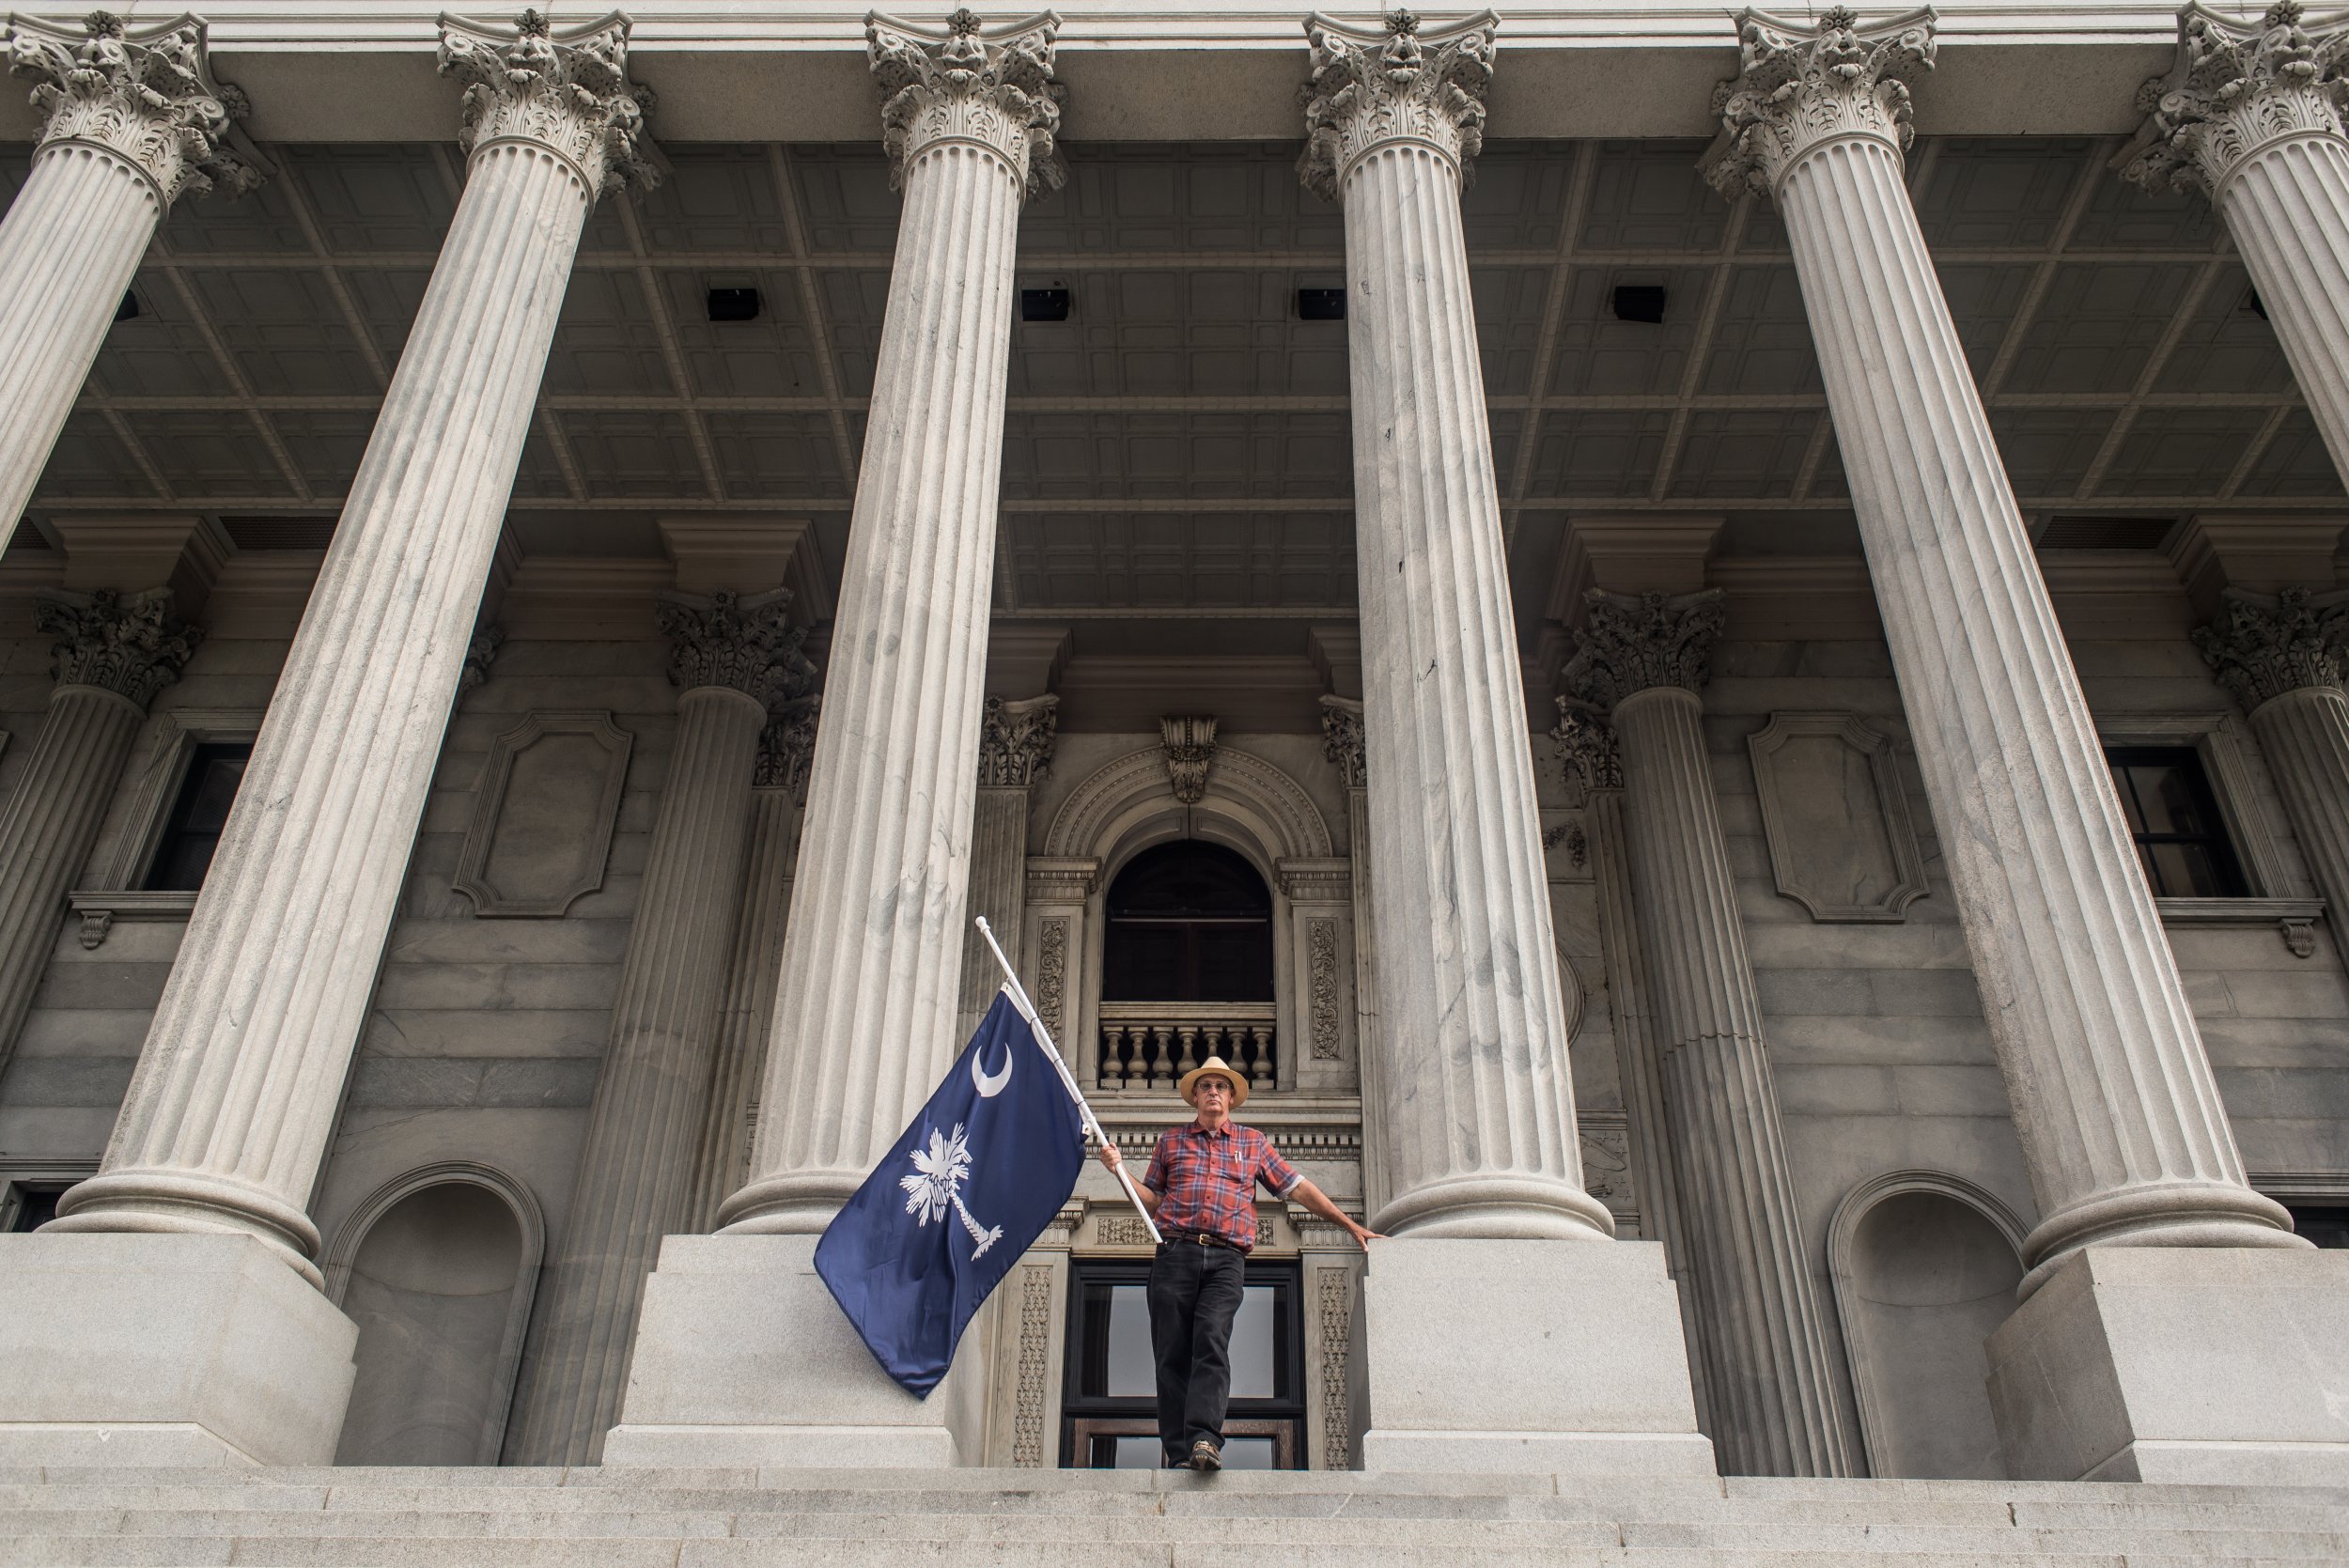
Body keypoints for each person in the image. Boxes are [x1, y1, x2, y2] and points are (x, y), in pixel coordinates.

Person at [1096, 1053, 1380, 1471]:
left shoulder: (1252, 1143)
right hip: (1176, 1252)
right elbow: (1153, 1201)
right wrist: (1120, 1172)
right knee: (1171, 1354)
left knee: (1211, 1339)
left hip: (1226, 1258)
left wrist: (1349, 1224)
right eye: (1207, 1086)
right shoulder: (1171, 1142)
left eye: (1221, 1086)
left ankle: (1205, 1441)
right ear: (1195, 1096)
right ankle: (1179, 1453)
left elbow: (1297, 1189)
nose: (1214, 1092)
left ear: (1231, 1098)